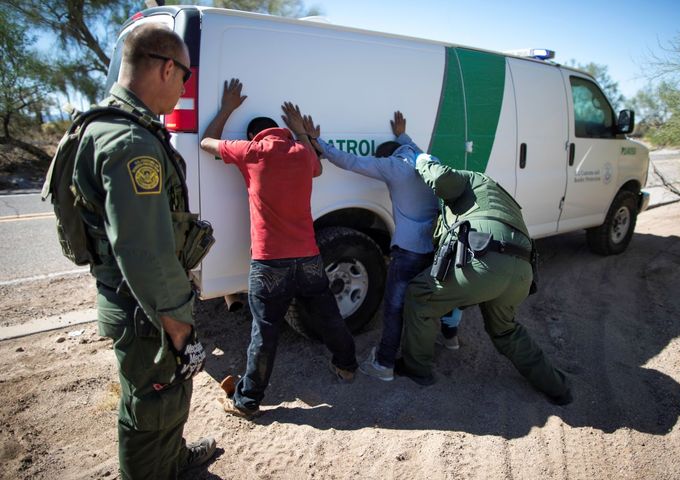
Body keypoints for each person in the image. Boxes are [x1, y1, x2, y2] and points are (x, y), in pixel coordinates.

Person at [72, 24, 216, 478]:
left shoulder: (103, 125)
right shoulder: (132, 143)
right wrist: (179, 326)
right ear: (168, 68)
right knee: (152, 405)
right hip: (147, 311)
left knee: (161, 399)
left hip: (133, 303)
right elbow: (146, 252)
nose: (184, 88)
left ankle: (171, 462)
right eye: (185, 78)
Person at [199, 78, 358, 417]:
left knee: (265, 331)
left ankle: (247, 400)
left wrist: (227, 108)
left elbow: (206, 142)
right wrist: (302, 131)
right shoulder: (302, 154)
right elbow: (316, 167)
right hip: (309, 255)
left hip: (270, 263)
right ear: (281, 132)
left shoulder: (251, 152)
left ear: (254, 137)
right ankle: (346, 365)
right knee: (328, 314)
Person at [396, 154, 573, 405]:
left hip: (484, 260)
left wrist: (422, 160)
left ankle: (417, 369)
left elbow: (441, 179)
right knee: (506, 330)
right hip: (522, 270)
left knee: (420, 297)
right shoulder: (499, 197)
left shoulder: (471, 178)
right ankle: (557, 387)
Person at [303, 112, 459, 381]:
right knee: (439, 295)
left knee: (395, 306)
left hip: (410, 248)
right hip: (436, 243)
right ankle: (451, 338)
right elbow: (412, 148)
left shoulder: (393, 167)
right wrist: (402, 135)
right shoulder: (428, 161)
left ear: (388, 156)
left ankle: (385, 363)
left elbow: (351, 161)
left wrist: (318, 142)